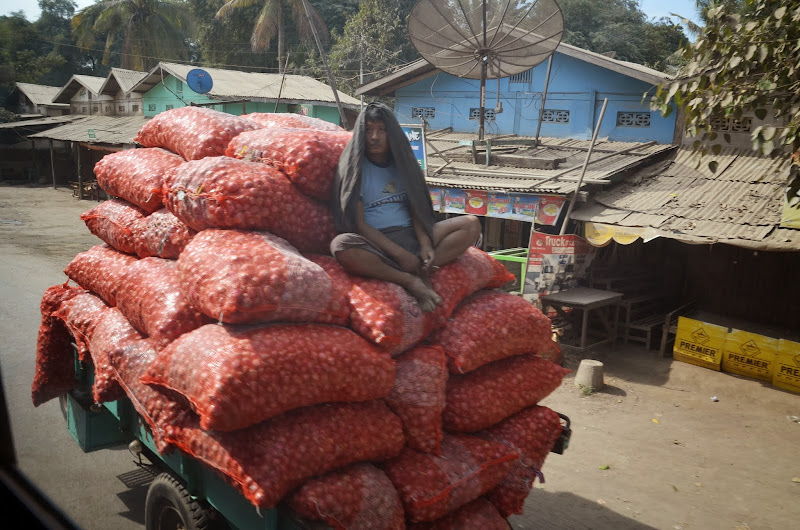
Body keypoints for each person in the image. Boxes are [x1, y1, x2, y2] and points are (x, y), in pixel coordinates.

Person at [331, 102, 481, 312]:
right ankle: (409, 281)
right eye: (369, 130)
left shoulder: (402, 165)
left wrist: (425, 245)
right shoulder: (356, 170)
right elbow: (359, 224)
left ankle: (423, 269)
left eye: (382, 130)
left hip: (410, 235)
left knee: (471, 223)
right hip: (376, 243)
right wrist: (401, 255)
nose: (375, 137)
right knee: (341, 245)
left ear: (391, 134)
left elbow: (416, 209)